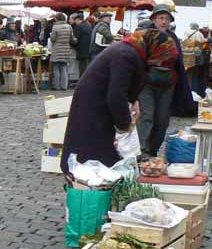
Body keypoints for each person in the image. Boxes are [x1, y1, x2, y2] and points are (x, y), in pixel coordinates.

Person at [60, 28, 177, 174]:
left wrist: (135, 101)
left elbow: (127, 85)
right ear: (154, 48)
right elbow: (116, 95)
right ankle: (88, 185)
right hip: (93, 105)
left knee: (101, 151)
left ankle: (95, 182)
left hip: (99, 102)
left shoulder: (134, 53)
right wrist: (125, 124)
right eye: (160, 57)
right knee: (93, 150)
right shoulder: (126, 55)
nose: (159, 62)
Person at [137, 4, 194, 158]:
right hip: (146, 84)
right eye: (160, 18)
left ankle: (153, 150)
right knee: (146, 116)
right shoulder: (144, 35)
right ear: (154, 19)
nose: (163, 21)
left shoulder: (173, 37)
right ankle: (143, 151)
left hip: (168, 84)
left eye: (166, 19)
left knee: (162, 120)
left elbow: (179, 64)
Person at [50, 13, 77, 90]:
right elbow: (72, 39)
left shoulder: (55, 27)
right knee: (64, 68)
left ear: (57, 19)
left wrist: (51, 36)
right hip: (66, 49)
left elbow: (53, 39)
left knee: (56, 68)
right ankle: (64, 86)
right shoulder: (69, 26)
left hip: (57, 49)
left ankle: (57, 86)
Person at [72, 13, 92, 77]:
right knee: (85, 68)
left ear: (78, 19)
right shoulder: (87, 25)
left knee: (82, 69)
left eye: (75, 21)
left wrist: (72, 44)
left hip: (81, 51)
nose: (75, 22)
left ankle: (82, 84)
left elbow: (75, 39)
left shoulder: (79, 26)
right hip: (88, 50)